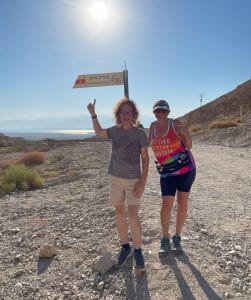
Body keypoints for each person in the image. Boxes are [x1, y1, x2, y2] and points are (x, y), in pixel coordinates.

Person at [87, 97, 149, 270]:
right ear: (119, 115)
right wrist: (93, 115)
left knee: (134, 216)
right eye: (123, 112)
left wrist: (143, 182)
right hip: (115, 179)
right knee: (120, 215)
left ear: (134, 114)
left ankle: (137, 250)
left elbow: (145, 159)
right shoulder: (114, 131)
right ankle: (125, 247)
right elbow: (99, 132)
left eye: (129, 112)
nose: (126, 115)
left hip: (133, 182)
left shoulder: (140, 134)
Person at [149, 99, 196, 255]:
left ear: (168, 112)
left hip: (186, 170)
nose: (160, 113)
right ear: (154, 112)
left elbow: (188, 145)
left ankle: (177, 237)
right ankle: (164, 238)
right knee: (166, 205)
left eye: (163, 110)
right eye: (157, 111)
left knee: (182, 202)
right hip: (167, 173)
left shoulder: (175, 124)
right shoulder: (152, 127)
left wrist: (185, 133)